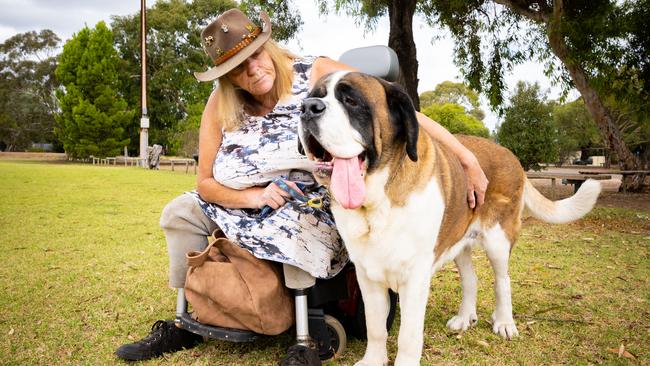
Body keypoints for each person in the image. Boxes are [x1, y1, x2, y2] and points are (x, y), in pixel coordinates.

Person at [115, 7, 489, 362]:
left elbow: (399, 110)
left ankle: (302, 340)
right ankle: (185, 320)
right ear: (225, 76)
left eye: (256, 55)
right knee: (179, 211)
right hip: (241, 201)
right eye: (237, 67)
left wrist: (466, 157)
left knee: (292, 221)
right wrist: (251, 197)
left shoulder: (315, 72)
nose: (252, 69)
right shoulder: (220, 103)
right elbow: (206, 183)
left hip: (309, 200)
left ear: (268, 46)